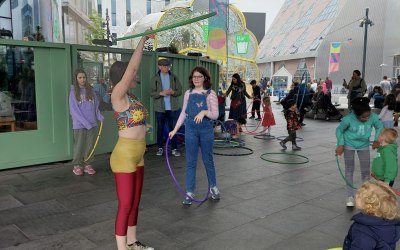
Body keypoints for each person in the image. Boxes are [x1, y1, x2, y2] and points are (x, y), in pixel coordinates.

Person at [109, 32, 154, 250]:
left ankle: (133, 242)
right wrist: (142, 42)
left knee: (135, 203)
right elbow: (133, 70)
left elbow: (131, 120)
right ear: (123, 76)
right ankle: (122, 248)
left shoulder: (133, 98)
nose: (135, 78)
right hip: (124, 156)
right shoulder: (118, 94)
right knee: (125, 204)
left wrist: (145, 126)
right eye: (130, 76)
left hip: (138, 155)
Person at [169, 66, 220, 205]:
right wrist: (175, 129)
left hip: (206, 130)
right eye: (194, 77)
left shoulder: (211, 94)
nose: (196, 79)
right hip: (190, 129)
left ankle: (214, 188)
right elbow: (184, 112)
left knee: (208, 160)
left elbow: (215, 114)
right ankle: (190, 191)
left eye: (199, 76)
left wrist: (204, 112)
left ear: (205, 78)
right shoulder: (188, 93)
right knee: (190, 162)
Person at [335, 97, 383, 207]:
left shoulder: (373, 116)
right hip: (348, 144)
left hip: (364, 145)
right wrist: (340, 144)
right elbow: (339, 130)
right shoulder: (348, 119)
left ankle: (366, 195)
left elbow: (379, 126)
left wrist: (376, 139)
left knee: (365, 171)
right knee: (349, 170)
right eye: (363, 117)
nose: (367, 118)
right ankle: (350, 196)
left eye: (368, 116)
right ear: (356, 114)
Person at [343, 181, 400, 249]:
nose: (356, 195)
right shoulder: (390, 225)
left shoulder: (363, 229)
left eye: (359, 195)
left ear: (369, 205)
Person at [69, 69, 103, 176]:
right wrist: (86, 123)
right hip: (79, 125)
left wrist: (99, 116)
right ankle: (77, 165)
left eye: (84, 77)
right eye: (80, 77)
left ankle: (88, 164)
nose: (82, 79)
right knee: (79, 145)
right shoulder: (73, 92)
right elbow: (74, 111)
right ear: (76, 79)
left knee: (90, 145)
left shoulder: (91, 91)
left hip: (92, 124)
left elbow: (96, 107)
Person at [150, 58, 182, 157]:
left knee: (173, 128)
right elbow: (151, 93)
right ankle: (160, 148)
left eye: (168, 66)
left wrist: (173, 92)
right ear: (159, 67)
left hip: (172, 108)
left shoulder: (174, 77)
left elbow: (179, 91)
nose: (167, 68)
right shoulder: (155, 78)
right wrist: (161, 93)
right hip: (160, 108)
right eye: (164, 66)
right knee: (160, 128)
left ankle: (174, 148)